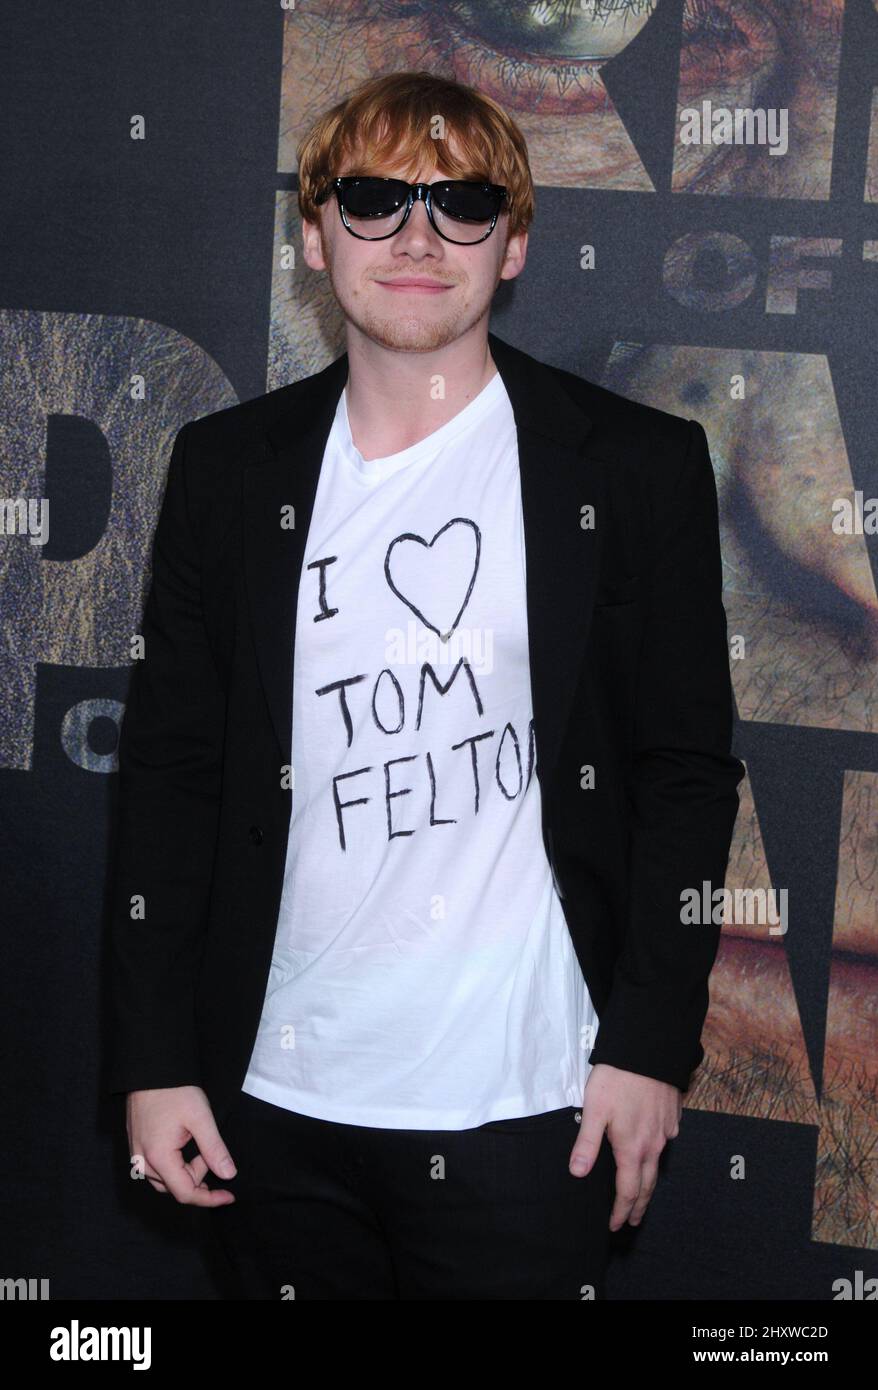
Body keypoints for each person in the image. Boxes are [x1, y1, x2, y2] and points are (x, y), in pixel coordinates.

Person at [108, 69, 745, 1300]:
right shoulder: (230, 472)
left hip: (531, 1102)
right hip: (271, 1101)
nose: (414, 236)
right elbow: (172, 771)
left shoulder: (631, 468)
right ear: (313, 232)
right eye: (373, 199)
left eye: (458, 203)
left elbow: (683, 773)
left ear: (510, 243)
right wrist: (153, 1057)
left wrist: (650, 1046)